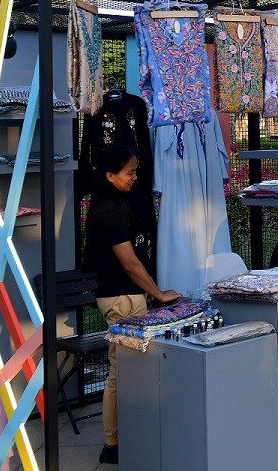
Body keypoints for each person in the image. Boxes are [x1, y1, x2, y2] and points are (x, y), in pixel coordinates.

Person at [86, 144, 179, 465]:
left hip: (128, 296)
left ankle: (124, 436)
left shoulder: (117, 202)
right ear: (109, 175)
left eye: (136, 171)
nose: (135, 177)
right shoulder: (108, 210)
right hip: (122, 299)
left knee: (127, 369)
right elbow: (129, 263)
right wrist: (158, 294)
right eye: (129, 172)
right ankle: (113, 444)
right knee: (122, 370)